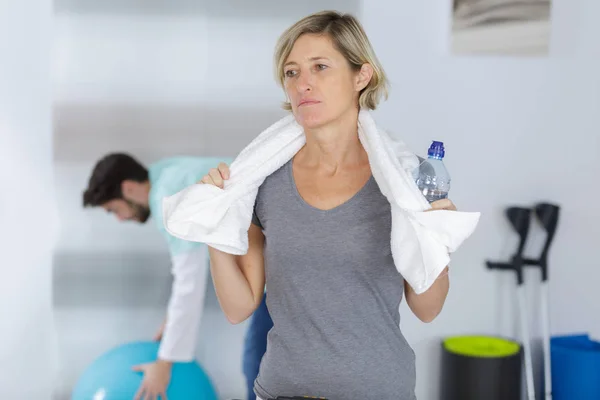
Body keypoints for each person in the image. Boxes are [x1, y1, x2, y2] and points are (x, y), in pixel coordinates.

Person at [198, 10, 457, 399]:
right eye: (291, 72)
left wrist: (437, 237)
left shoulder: (406, 180)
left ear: (361, 76)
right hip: (282, 390)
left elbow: (427, 308)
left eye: (320, 67)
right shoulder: (262, 179)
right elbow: (238, 308)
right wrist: (213, 224)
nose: (303, 83)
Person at [82, 154, 272, 400]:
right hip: (280, 265)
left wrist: (164, 362)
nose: (120, 218)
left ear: (127, 188)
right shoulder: (171, 172)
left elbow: (189, 284)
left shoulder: (169, 196)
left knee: (259, 368)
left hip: (287, 270)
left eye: (114, 209)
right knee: (260, 364)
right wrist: (172, 322)